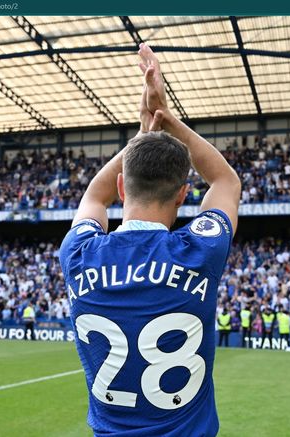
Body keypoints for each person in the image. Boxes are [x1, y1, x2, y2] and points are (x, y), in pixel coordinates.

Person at [58, 43, 240, 436]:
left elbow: (92, 195)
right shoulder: (199, 251)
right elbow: (225, 180)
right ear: (181, 195)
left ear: (122, 186)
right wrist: (166, 118)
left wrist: (144, 129)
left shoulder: (78, 254)